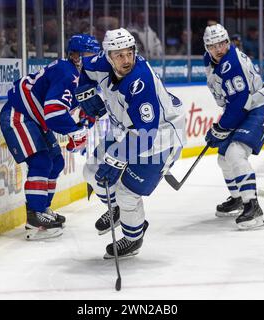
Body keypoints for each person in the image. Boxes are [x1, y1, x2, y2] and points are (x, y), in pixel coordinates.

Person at [76, 28, 185, 258]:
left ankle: (133, 238)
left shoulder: (140, 82)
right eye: (119, 55)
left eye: (129, 53)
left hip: (160, 140)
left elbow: (145, 135)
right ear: (108, 56)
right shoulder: (101, 63)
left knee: (127, 192)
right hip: (126, 131)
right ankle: (115, 209)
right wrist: (84, 91)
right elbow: (85, 69)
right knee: (91, 171)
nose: (126, 60)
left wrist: (116, 161)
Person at [0, 34, 101, 241]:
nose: (94, 60)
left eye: (95, 55)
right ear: (76, 56)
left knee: (56, 162)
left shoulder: (84, 77)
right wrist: (74, 131)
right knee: (41, 161)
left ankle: (43, 210)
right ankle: (35, 218)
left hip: (35, 119)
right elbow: (54, 113)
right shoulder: (67, 73)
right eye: (89, 55)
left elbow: (86, 109)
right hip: (19, 115)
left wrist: (85, 122)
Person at [202, 24, 264, 230]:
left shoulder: (231, 63)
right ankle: (237, 199)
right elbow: (233, 102)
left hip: (260, 107)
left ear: (228, 42)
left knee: (235, 153)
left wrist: (220, 127)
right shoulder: (210, 61)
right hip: (244, 108)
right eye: (213, 45)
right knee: (223, 157)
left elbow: (239, 102)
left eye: (222, 43)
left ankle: (253, 208)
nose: (219, 49)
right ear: (207, 47)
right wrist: (222, 127)